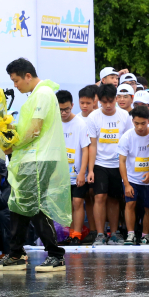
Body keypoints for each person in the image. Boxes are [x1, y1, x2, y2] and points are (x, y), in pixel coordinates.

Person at [0, 58, 71, 272]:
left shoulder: (43, 94)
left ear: (28, 76)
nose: (15, 85)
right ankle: (16, 253)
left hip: (39, 158)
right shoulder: (37, 95)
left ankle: (55, 255)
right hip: (31, 157)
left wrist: (12, 143)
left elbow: (34, 129)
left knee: (34, 206)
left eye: (16, 80)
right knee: (18, 205)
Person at [85, 83, 133, 245]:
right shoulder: (93, 117)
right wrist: (90, 170)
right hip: (100, 164)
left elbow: (128, 141)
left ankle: (114, 233)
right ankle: (100, 234)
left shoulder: (125, 116)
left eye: (110, 101)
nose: (107, 105)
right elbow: (92, 145)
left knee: (114, 199)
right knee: (99, 197)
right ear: (98, 101)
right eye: (103, 102)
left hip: (119, 164)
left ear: (116, 99)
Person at [118, 105, 149, 244]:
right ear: (132, 122)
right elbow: (122, 162)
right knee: (130, 204)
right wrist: (127, 183)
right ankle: (130, 234)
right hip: (132, 178)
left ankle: (145, 235)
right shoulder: (127, 137)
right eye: (136, 123)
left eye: (143, 123)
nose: (140, 127)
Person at [58, 90, 90, 244]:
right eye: (60, 110)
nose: (64, 113)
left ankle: (77, 235)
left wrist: (82, 172)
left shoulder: (80, 124)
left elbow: (86, 149)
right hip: (60, 174)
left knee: (77, 202)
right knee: (65, 205)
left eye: (66, 109)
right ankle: (68, 234)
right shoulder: (54, 122)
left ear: (72, 105)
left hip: (77, 172)